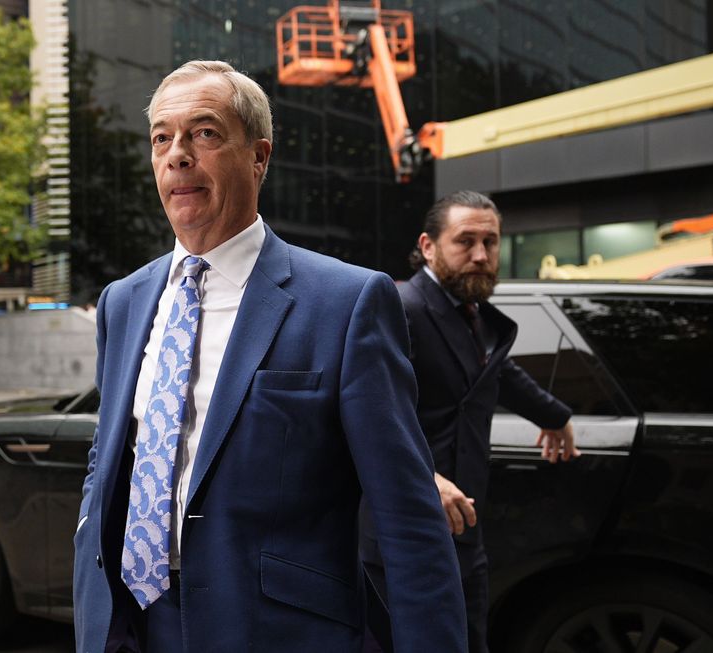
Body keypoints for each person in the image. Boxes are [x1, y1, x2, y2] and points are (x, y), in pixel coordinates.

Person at [72, 60, 467, 653]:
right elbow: (106, 465)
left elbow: (408, 519)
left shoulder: (347, 302)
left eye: (204, 133)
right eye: (161, 138)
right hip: (133, 626)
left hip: (277, 632)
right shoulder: (122, 302)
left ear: (259, 156)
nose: (177, 155)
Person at [363, 190, 581, 653]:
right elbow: (367, 411)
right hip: (399, 535)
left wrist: (555, 416)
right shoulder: (399, 306)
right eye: (465, 241)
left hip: (465, 533)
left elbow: (497, 372)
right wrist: (425, 477)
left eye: (490, 242)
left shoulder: (472, 313)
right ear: (428, 246)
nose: (481, 255)